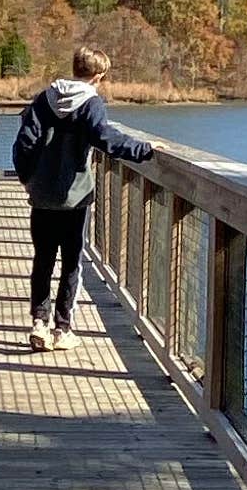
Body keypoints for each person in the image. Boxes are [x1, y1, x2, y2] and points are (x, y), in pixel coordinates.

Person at [8, 47, 156, 350]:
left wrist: (27, 179)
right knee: (72, 263)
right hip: (74, 198)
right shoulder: (91, 103)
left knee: (43, 259)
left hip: (42, 195)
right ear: (98, 76)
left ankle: (39, 321)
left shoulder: (42, 99)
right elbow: (105, 138)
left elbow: (24, 143)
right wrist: (144, 150)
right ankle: (62, 329)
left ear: (74, 68)